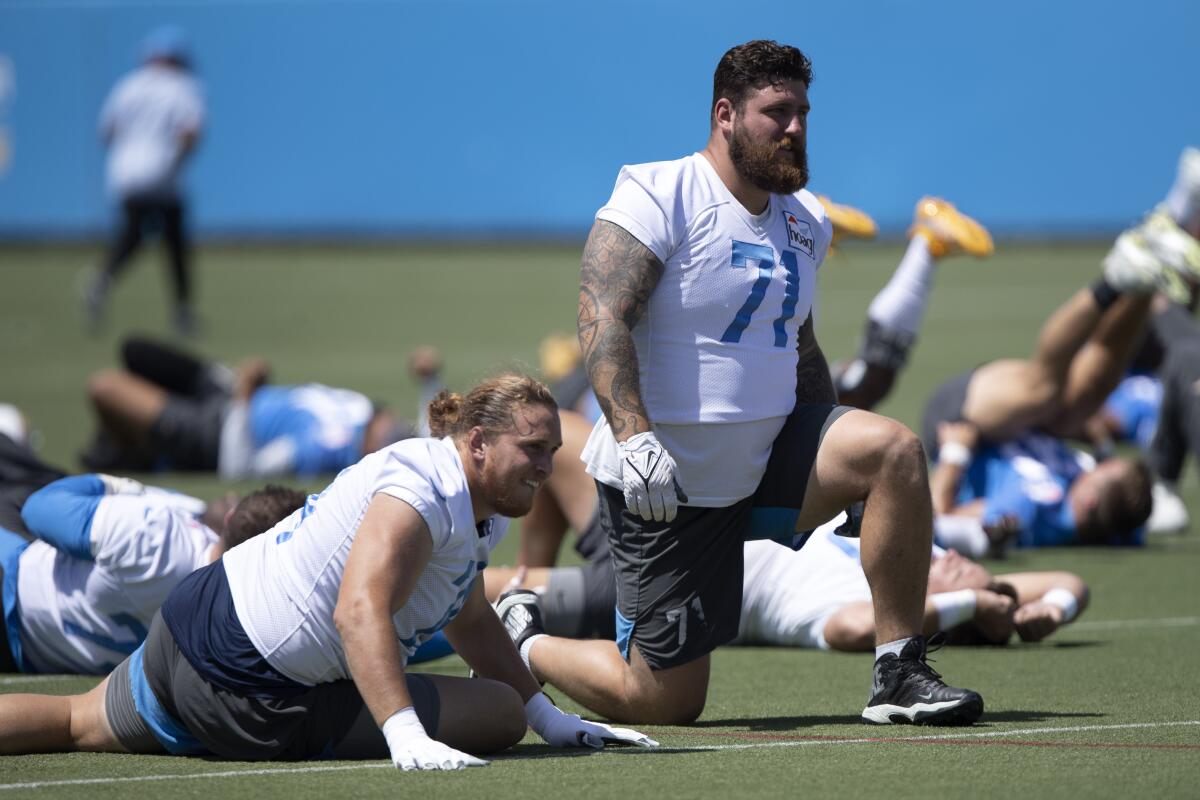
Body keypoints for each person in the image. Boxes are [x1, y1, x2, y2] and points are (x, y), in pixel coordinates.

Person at [498, 40, 983, 728]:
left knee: (893, 451)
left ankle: (898, 672)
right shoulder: (658, 191)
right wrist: (634, 437)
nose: (795, 127)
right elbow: (601, 316)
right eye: (776, 112)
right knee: (664, 702)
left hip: (765, 459)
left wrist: (837, 457)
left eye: (803, 112)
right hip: (667, 486)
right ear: (725, 114)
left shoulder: (806, 218)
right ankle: (524, 637)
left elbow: (801, 347)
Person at [0, 375, 655, 768]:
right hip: (249, 685)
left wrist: (551, 717)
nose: (546, 467)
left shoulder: (483, 501)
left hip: (199, 614)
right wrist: (404, 733)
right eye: (532, 449)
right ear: (478, 444)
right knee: (496, 716)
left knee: (71, 722)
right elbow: (357, 609)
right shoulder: (424, 489)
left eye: (553, 452)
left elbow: (467, 613)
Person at [1, 477, 301, 675]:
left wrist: (113, 485)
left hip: (13, 587)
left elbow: (39, 509)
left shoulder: (156, 537)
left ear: (229, 518)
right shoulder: (250, 625)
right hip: (28, 653)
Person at [81, 336, 422, 479]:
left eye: (391, 434)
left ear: (374, 449)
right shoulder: (360, 411)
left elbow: (239, 466)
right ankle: (129, 445)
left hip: (216, 429)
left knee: (105, 388)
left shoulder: (327, 447)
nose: (393, 421)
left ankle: (137, 453)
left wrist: (243, 395)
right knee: (135, 350)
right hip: (224, 391)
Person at [84, 26, 206, 336]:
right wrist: (176, 159)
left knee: (134, 235)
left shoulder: (127, 85)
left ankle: (102, 279)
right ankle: (183, 311)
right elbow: (190, 132)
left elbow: (107, 131)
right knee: (174, 242)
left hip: (125, 172)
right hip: (162, 172)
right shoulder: (183, 86)